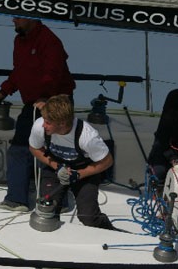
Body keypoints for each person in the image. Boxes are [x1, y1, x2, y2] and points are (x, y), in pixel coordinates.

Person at [0, 18, 76, 212]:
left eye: (17, 16)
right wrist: (5, 91)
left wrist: (46, 97)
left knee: (55, 150)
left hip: (55, 101)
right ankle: (16, 200)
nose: (13, 19)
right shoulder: (19, 41)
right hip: (33, 103)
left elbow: (53, 72)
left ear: (31, 18)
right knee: (20, 148)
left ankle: (57, 202)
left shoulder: (49, 41)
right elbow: (19, 71)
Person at [29, 94, 114, 230]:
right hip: (55, 167)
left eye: (48, 122)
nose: (44, 125)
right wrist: (57, 167)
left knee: (88, 217)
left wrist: (78, 174)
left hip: (84, 172)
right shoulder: (39, 126)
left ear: (62, 123)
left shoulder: (87, 137)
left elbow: (107, 161)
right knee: (47, 210)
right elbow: (34, 148)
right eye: (44, 120)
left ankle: (111, 234)